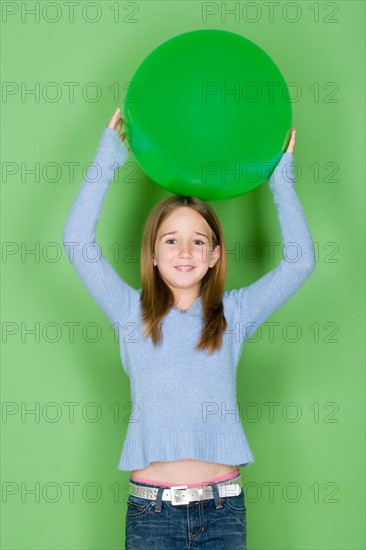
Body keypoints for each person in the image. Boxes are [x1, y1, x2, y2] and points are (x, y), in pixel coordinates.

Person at [63, 107, 316, 549]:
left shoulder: (234, 315)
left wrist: (282, 181)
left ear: (214, 255)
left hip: (223, 510)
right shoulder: (130, 313)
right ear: (153, 256)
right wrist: (108, 155)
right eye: (170, 239)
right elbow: (77, 243)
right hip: (151, 512)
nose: (185, 250)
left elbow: (300, 262)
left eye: (198, 240)